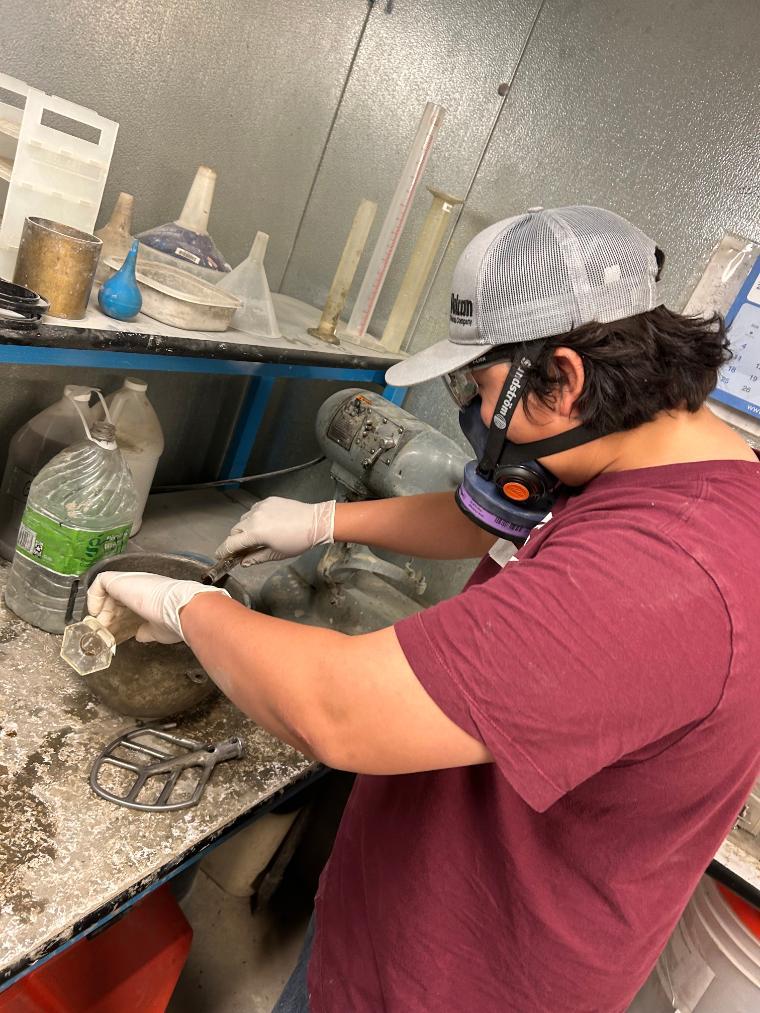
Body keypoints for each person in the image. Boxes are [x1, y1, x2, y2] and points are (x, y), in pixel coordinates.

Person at [88, 206, 760, 1013]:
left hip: (454, 986)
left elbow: (338, 711)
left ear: (564, 378)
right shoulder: (653, 456)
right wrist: (320, 521)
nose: (475, 421)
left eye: (477, 391)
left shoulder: (666, 573)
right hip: (398, 924)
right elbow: (496, 511)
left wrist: (186, 603)